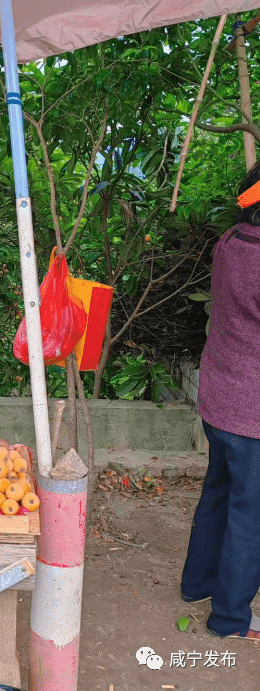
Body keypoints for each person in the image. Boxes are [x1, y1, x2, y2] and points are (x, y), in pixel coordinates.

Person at [180, 161, 260, 640]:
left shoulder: (229, 245)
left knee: (218, 495)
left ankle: (198, 584)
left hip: (220, 398)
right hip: (253, 411)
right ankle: (231, 618)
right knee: (250, 517)